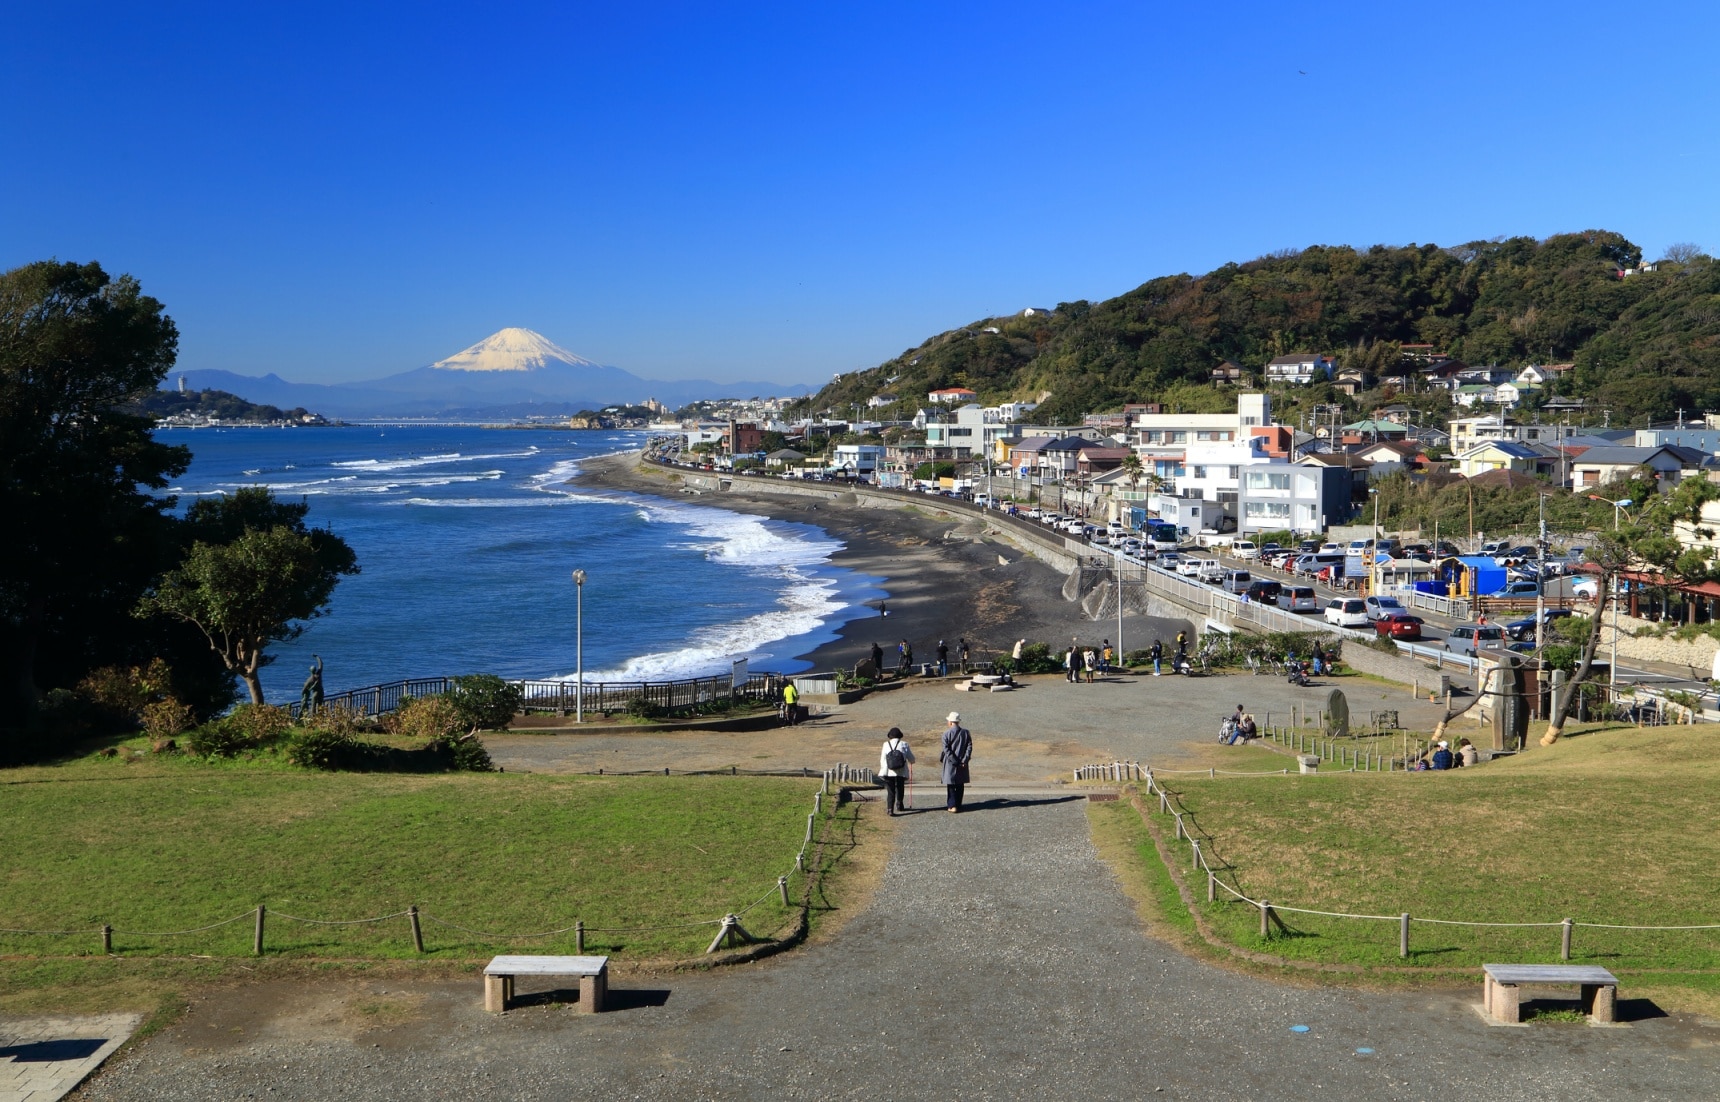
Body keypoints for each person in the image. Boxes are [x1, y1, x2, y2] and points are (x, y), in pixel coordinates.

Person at [878, 726, 915, 816]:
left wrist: (883, 769)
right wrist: (911, 761)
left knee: (890, 791)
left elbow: (882, 759)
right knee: (900, 787)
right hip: (900, 770)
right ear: (900, 736)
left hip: (888, 770)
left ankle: (890, 809)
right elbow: (911, 759)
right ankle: (899, 804)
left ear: (890, 736)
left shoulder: (885, 744)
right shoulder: (904, 744)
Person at [940, 711, 973, 813]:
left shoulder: (946, 734)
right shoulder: (966, 733)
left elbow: (946, 750)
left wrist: (954, 761)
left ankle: (952, 805)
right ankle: (959, 804)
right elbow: (969, 747)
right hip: (963, 762)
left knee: (951, 785)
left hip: (951, 763)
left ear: (950, 722)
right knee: (960, 784)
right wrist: (964, 760)